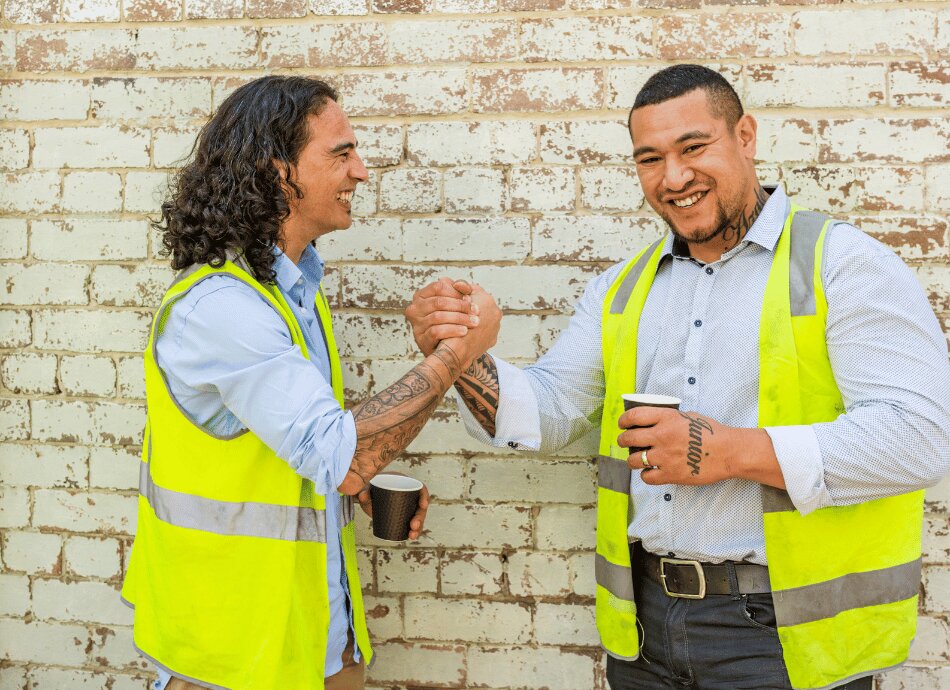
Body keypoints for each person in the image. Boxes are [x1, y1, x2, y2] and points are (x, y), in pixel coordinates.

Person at [406, 64, 950, 689]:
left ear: (745, 136)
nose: (673, 177)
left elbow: (919, 439)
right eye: (650, 159)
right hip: (645, 634)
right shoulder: (621, 289)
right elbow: (548, 412)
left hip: (785, 638)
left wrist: (731, 452)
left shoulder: (846, 265)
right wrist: (459, 356)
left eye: (693, 148)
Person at [120, 76, 500, 690]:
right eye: (341, 153)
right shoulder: (222, 308)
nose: (362, 171)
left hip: (314, 640)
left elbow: (304, 450)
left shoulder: (293, 292)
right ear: (279, 174)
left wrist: (354, 488)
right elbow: (340, 452)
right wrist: (457, 354)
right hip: (232, 656)